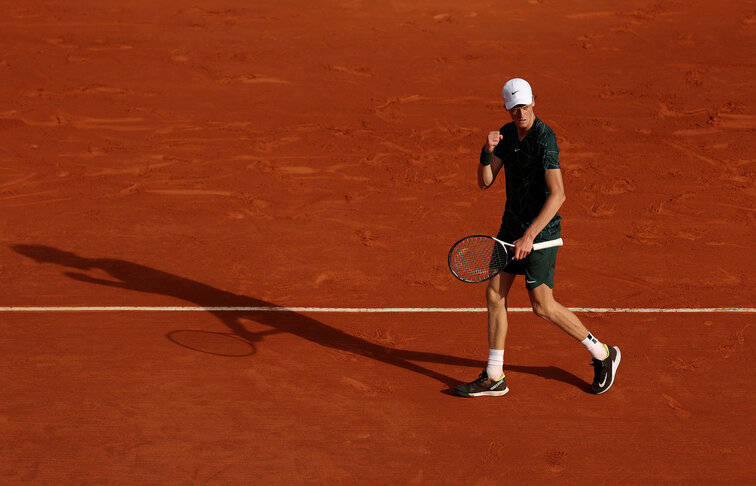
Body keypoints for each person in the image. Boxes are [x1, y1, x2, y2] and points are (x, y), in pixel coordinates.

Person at [455, 78, 621, 397]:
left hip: (541, 232)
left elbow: (558, 195)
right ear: (507, 108)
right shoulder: (504, 135)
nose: (521, 112)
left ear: (535, 102)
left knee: (542, 306)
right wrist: (486, 152)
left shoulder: (545, 139)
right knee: (494, 294)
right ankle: (494, 376)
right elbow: (485, 182)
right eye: (514, 107)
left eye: (525, 105)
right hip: (511, 229)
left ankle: (603, 354)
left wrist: (530, 235)